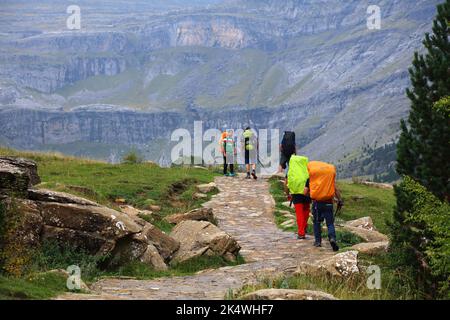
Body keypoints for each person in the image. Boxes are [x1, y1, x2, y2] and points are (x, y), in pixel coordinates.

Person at [307, 161, 343, 252]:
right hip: (328, 203)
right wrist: (340, 200)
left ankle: (318, 241)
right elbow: (336, 190)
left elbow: (307, 191)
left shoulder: (314, 180)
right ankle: (332, 238)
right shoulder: (329, 181)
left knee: (317, 222)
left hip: (317, 203)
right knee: (330, 223)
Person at [286, 155, 311, 239]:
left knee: (299, 213)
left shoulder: (291, 171)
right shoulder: (307, 170)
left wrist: (287, 193)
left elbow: (286, 182)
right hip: (307, 192)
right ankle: (304, 227)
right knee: (306, 210)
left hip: (296, 193)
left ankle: (301, 232)